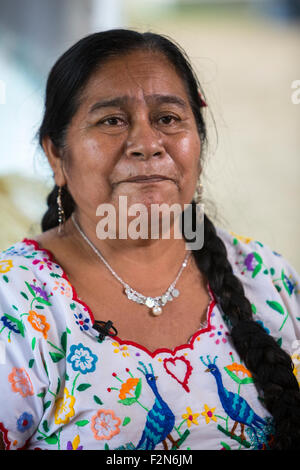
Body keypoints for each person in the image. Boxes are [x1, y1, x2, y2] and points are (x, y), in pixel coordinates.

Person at [0, 29, 299, 451]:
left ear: (198, 141)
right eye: (112, 120)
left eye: (168, 118)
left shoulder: (268, 279)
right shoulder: (16, 302)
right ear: (56, 154)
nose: (147, 144)